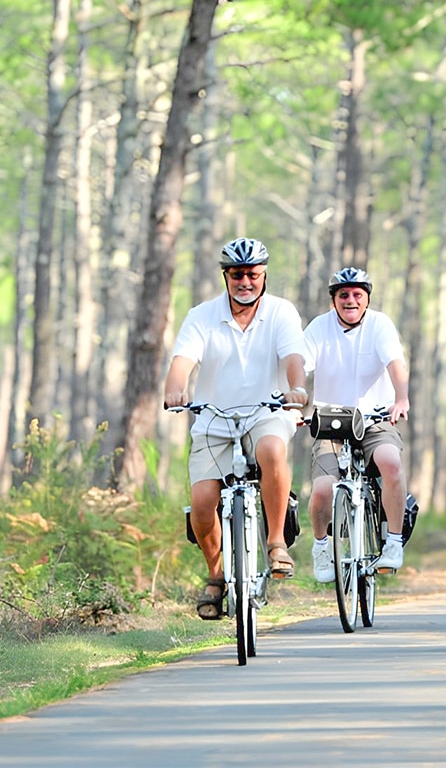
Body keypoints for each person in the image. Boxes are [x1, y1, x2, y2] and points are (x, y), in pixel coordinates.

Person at [163, 237, 308, 619]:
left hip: (268, 410)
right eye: (238, 274)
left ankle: (276, 542)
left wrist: (297, 389)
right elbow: (182, 361)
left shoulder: (280, 312)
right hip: (214, 417)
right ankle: (217, 574)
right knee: (202, 503)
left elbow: (294, 358)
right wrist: (175, 390)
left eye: (253, 274)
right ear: (226, 276)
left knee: (272, 450)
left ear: (264, 276)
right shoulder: (202, 315)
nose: (246, 281)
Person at [303, 267, 410, 582]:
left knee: (390, 464)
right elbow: (299, 367)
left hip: (375, 418)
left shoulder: (380, 325)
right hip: (330, 422)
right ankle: (322, 547)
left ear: (366, 299)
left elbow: (395, 364)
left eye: (357, 295)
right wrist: (293, 405)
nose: (350, 301)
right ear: (334, 300)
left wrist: (400, 399)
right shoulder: (318, 328)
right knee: (323, 490)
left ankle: (392, 542)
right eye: (343, 295)